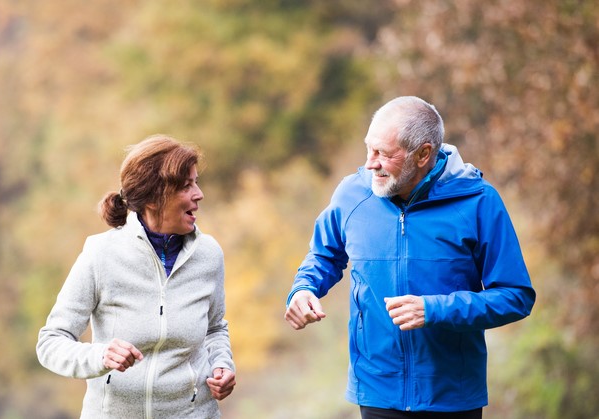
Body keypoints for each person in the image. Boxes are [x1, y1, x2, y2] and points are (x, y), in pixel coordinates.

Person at [284, 96, 535, 419]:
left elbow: (516, 296)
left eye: (384, 155)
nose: (370, 163)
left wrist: (435, 309)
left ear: (423, 154)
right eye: (369, 149)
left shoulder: (478, 201)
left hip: (452, 395)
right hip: (377, 390)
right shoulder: (351, 195)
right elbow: (323, 255)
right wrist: (304, 289)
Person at [37, 134, 236, 418]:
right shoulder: (101, 254)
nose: (199, 194)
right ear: (154, 197)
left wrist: (222, 365)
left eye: (196, 182)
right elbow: (51, 342)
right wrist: (100, 356)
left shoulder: (208, 255)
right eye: (186, 186)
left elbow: (215, 329)